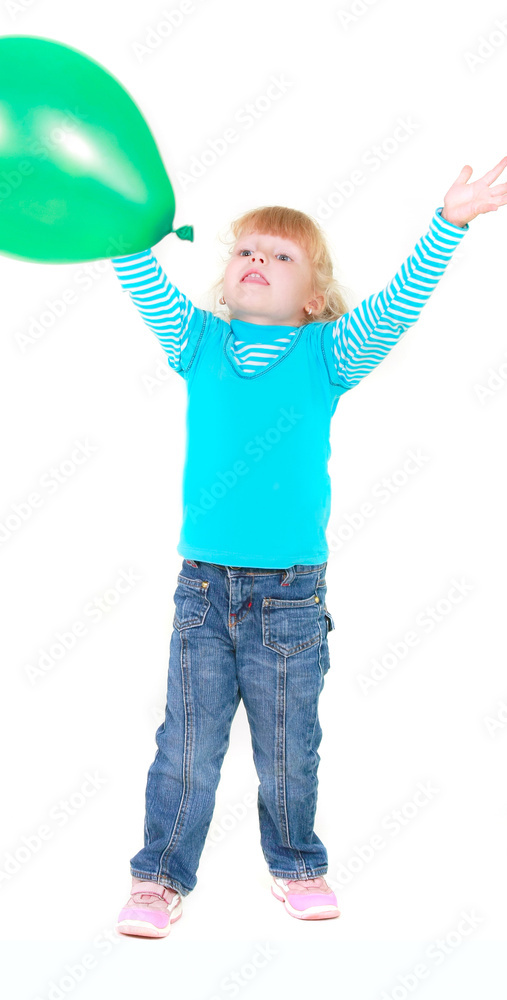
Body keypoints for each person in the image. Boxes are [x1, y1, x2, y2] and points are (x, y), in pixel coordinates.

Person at [110, 158, 507, 937]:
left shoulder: (327, 352)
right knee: (186, 744)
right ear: (225, 281)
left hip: (289, 594)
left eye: (280, 254)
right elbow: (139, 275)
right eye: (245, 250)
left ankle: (295, 864)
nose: (257, 259)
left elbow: (395, 307)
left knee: (288, 745)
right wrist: (117, 228)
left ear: (313, 299)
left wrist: (448, 224)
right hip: (202, 589)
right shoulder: (197, 340)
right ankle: (158, 877)